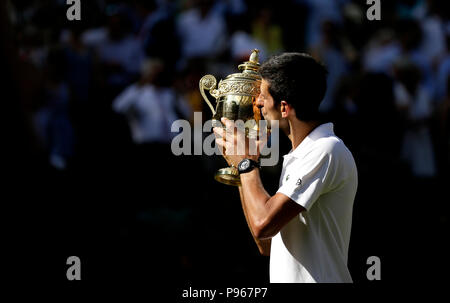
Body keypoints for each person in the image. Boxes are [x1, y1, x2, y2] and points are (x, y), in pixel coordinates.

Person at [213, 53, 358, 283]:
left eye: (262, 96)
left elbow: (262, 224)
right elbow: (267, 244)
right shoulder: (300, 155)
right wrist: (240, 168)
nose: (256, 102)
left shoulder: (325, 150)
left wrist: (246, 164)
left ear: (283, 108)